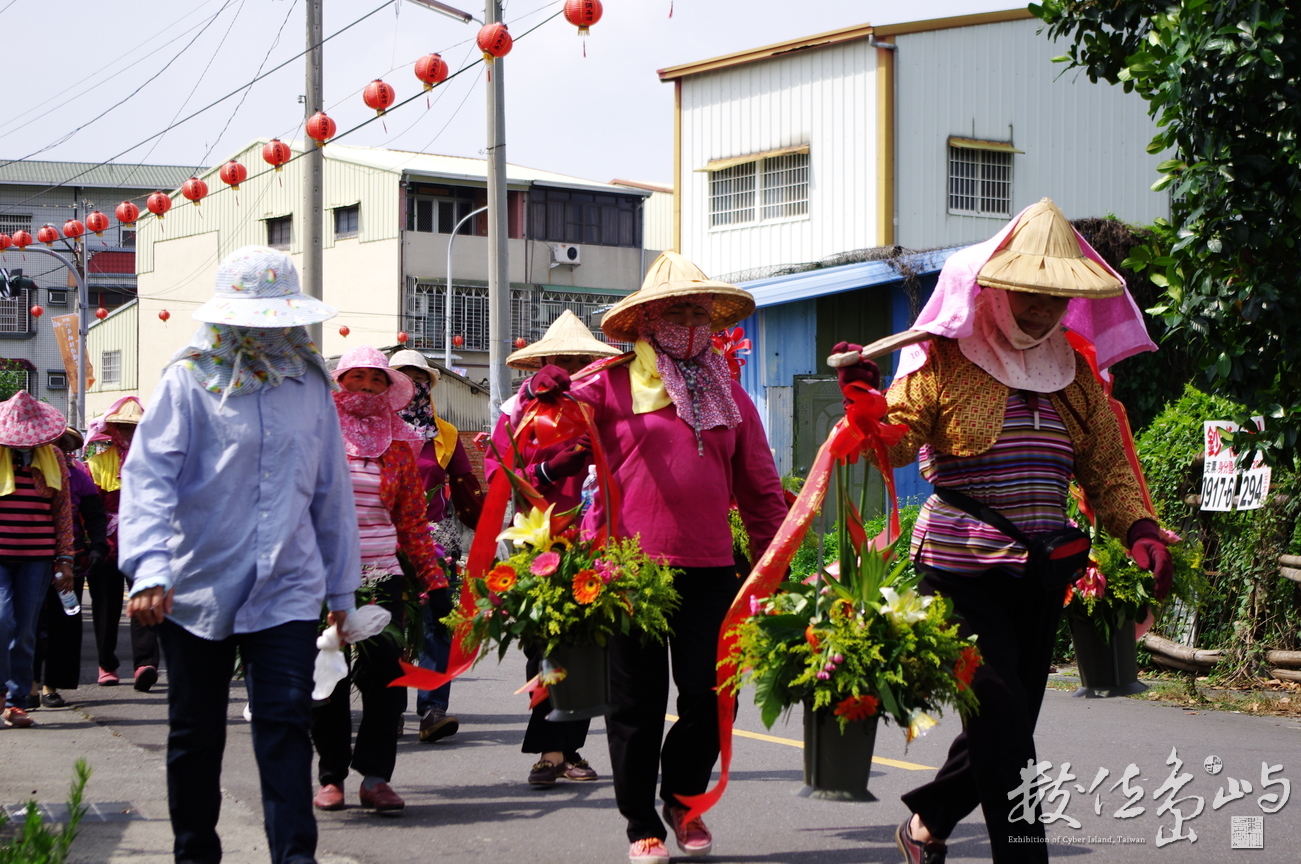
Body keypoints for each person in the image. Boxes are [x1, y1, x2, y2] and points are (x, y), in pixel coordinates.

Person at [834, 200, 1172, 864]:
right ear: (993, 286)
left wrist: (1138, 526)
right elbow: (896, 444)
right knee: (1005, 725)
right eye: (1027, 294)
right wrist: (868, 406)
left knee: (1006, 722)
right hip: (959, 572)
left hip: (1042, 575)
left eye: (1053, 298)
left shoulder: (1072, 373)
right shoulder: (943, 359)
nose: (1040, 311)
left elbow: (1105, 465)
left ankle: (926, 824)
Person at [516, 253, 787, 864]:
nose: (690, 320)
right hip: (628, 573)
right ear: (647, 321)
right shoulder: (607, 385)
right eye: (677, 310)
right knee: (636, 706)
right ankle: (642, 822)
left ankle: (684, 797)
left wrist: (778, 568)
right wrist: (547, 397)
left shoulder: (732, 394)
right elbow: (546, 445)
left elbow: (762, 491)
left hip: (713, 568)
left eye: (699, 311)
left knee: (713, 695)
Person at [120, 246, 360, 864]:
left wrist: (342, 593)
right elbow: (149, 479)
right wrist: (148, 568)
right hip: (196, 585)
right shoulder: (188, 380)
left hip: (287, 587)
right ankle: (195, 854)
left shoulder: (309, 386)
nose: (266, 329)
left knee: (284, 726)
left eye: (276, 318)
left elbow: (330, 490)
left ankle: (295, 858)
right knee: (195, 735)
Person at [311, 345, 453, 814]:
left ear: (389, 390)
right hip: (319, 576)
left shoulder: (398, 445)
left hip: (380, 574)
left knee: (385, 676)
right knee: (327, 677)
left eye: (377, 381)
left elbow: (412, 521)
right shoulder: (318, 433)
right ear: (341, 381)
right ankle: (331, 776)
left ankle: (375, 777)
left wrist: (434, 582)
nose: (367, 388)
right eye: (359, 379)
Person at [490, 310, 620, 787]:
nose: (570, 368)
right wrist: (545, 472)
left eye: (580, 360)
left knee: (588, 645)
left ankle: (565, 748)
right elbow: (495, 476)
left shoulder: (605, 409)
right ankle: (551, 750)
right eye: (561, 359)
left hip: (598, 540)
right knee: (544, 645)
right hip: (538, 540)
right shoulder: (516, 412)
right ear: (543, 362)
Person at [388, 348, 483, 744]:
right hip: (382, 537)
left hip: (435, 539)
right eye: (404, 379)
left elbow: (464, 485)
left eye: (420, 379)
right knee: (389, 625)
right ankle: (387, 707)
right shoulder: (373, 426)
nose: (414, 386)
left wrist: (488, 526)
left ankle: (431, 709)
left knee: (435, 623)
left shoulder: (444, 433)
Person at [0, 391, 75, 729]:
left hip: (37, 557)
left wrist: (65, 559)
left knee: (26, 630)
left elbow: (62, 511)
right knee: (3, 621)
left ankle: (15, 701)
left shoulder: (53, 457)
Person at [85, 397, 162, 690]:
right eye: (123, 427)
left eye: (134, 428)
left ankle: (146, 663)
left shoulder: (155, 460)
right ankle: (106, 664)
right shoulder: (96, 462)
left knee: (146, 597)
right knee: (105, 604)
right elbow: (88, 507)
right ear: (112, 428)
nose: (128, 433)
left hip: (143, 539)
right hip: (106, 540)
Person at [32, 427, 108, 709]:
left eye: (63, 446)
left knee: (63, 626)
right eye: (53, 444)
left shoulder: (76, 474)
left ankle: (51, 685)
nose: (59, 450)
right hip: (31, 558)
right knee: (30, 624)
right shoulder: (24, 471)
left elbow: (94, 513)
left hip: (69, 560)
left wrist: (98, 545)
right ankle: (28, 683)